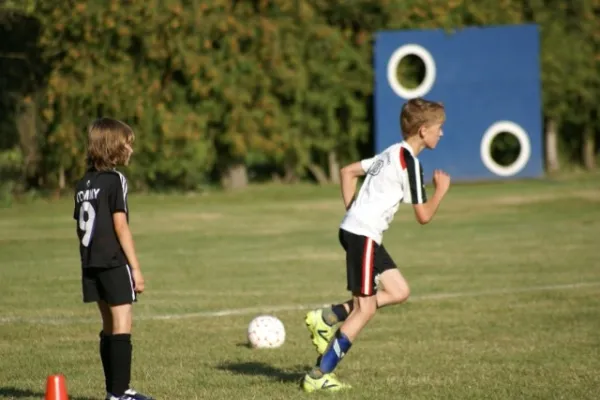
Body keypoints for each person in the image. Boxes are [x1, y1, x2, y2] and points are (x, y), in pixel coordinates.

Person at [301, 98, 451, 392]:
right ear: (423, 130)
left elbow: (347, 172)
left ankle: (328, 317)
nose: (441, 133)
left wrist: (352, 212)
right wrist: (441, 191)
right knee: (365, 309)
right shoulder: (410, 164)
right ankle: (319, 375)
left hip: (359, 232)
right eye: (439, 127)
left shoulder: (391, 152)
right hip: (363, 235)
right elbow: (423, 216)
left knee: (399, 291)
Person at [73, 118, 154, 400]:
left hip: (90, 262)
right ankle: (121, 393)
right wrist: (136, 268)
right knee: (122, 322)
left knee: (108, 326)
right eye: (127, 144)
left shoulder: (84, 182)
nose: (130, 150)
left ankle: (113, 391)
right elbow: (120, 225)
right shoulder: (115, 179)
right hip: (113, 261)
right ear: (113, 147)